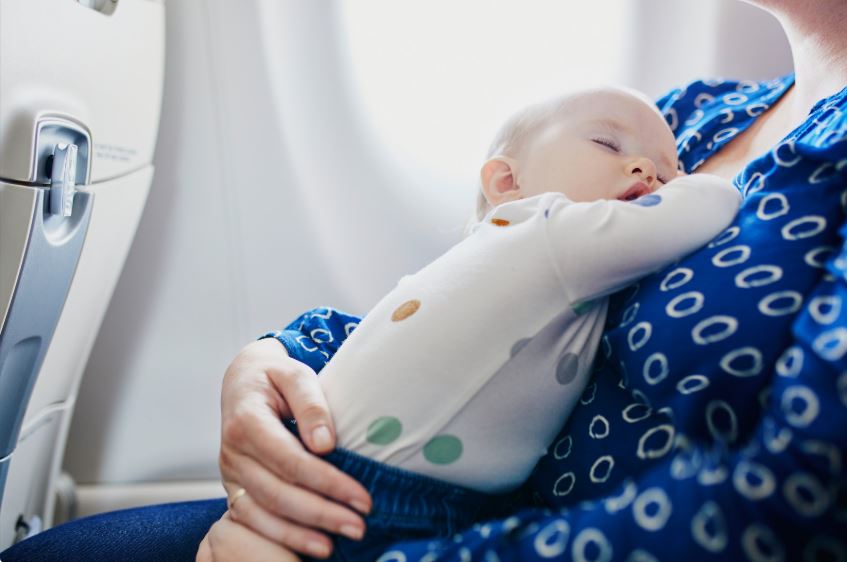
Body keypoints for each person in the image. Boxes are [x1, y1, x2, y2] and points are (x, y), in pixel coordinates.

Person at [1, 1, 844, 561]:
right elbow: (471, 288)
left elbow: (792, 503)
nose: (643, 174)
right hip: (393, 487)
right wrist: (278, 361)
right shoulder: (690, 118)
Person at [254, 87, 739, 560]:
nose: (649, 170)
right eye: (607, 144)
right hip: (391, 498)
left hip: (333, 461)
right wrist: (703, 181)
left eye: (670, 171)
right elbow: (706, 207)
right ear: (507, 183)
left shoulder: (495, 250)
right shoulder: (551, 231)